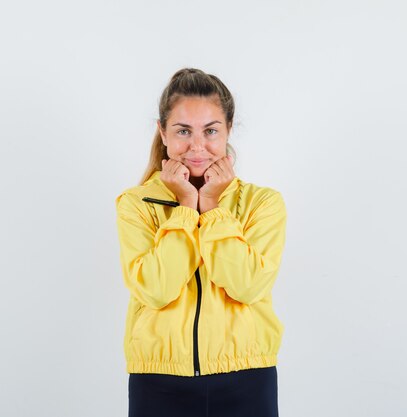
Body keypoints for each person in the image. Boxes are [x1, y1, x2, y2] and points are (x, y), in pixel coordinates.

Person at [115, 68, 287, 417]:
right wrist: (184, 210)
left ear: (228, 130)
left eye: (210, 130)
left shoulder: (262, 203)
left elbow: (247, 285)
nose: (197, 146)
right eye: (183, 131)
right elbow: (156, 290)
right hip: (158, 382)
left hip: (247, 379)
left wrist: (211, 208)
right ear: (163, 132)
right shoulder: (136, 204)